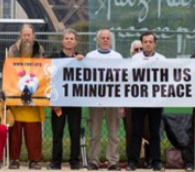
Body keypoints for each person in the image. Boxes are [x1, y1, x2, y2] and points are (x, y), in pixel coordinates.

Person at [7, 24, 45, 170]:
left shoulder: (39, 50)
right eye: (24, 35)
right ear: (20, 36)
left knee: (33, 134)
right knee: (15, 133)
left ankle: (34, 160)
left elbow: (43, 73)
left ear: (33, 36)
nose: (27, 38)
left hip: (34, 98)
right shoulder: (12, 50)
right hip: (16, 97)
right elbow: (9, 71)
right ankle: (14, 160)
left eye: (29, 35)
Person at [127, 32, 165, 172]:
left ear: (154, 43)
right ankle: (133, 162)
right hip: (138, 100)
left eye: (150, 41)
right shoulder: (135, 59)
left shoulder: (161, 59)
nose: (148, 44)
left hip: (155, 101)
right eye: (145, 41)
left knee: (155, 132)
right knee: (136, 132)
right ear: (142, 43)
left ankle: (156, 162)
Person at [86, 29, 123, 171]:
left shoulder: (118, 57)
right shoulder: (90, 56)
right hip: (95, 98)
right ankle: (94, 160)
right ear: (98, 40)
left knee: (113, 132)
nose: (106, 40)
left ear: (111, 40)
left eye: (108, 38)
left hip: (113, 98)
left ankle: (112, 161)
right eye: (103, 38)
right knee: (95, 132)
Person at [48, 29, 84, 170]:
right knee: (57, 133)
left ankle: (74, 161)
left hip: (75, 100)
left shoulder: (82, 59)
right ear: (62, 41)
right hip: (58, 101)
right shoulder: (54, 58)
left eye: (71, 38)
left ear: (76, 42)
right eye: (66, 38)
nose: (69, 40)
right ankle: (56, 161)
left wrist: (82, 62)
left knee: (74, 132)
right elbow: (47, 77)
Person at [123, 41, 148, 167]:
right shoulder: (126, 66)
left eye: (141, 49)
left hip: (147, 103)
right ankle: (132, 160)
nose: (138, 51)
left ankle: (147, 159)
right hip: (129, 104)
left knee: (148, 131)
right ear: (132, 52)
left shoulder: (152, 65)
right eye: (136, 49)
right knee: (131, 132)